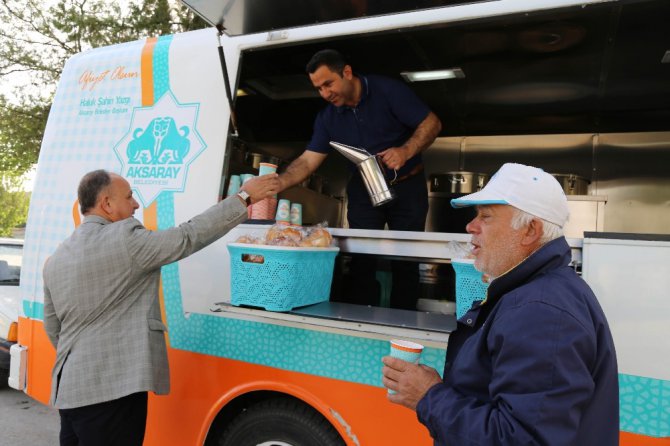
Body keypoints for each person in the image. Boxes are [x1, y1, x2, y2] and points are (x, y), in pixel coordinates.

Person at [381, 163, 619, 445]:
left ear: (530, 230)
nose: (471, 226)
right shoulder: (539, 291)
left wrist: (429, 396)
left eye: (486, 216)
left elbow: (520, 439)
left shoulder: (541, 311)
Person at [42, 169, 279, 446]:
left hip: (70, 391)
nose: (135, 204)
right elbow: (188, 236)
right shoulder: (125, 238)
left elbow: (52, 328)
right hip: (112, 392)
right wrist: (244, 196)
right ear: (106, 204)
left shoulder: (56, 258)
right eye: (129, 196)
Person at [277, 49, 442, 309]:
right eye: (318, 88)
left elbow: (432, 123)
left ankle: (404, 327)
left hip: (408, 184)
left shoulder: (388, 91)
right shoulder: (327, 118)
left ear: (347, 72)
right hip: (363, 188)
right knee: (361, 260)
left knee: (406, 259)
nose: (324, 93)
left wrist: (406, 151)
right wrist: (279, 182)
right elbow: (308, 160)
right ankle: (360, 322)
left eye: (328, 84)